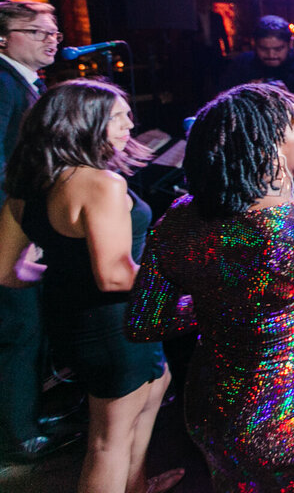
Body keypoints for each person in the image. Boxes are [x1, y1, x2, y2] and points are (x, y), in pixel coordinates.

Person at [126, 84, 294, 493]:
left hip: (215, 407)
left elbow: (145, 321)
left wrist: (224, 299)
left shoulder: (179, 218)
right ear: (269, 147)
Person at [0, 80, 179, 492]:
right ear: (84, 123)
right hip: (114, 326)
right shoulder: (101, 184)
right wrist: (183, 283)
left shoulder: (26, 187)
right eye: (118, 117)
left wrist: (65, 275)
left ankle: (136, 485)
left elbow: (7, 271)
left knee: (155, 390)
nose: (129, 124)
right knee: (107, 442)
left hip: (76, 322)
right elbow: (115, 275)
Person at [0, 0, 70, 463]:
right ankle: (17, 434)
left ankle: (24, 417)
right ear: (4, 38)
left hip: (21, 224)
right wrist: (14, 240)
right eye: (37, 31)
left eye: (54, 33)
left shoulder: (25, 83)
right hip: (10, 230)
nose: (50, 40)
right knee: (18, 329)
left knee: (28, 329)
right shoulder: (3, 84)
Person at [219, 14, 294, 119]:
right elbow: (218, 103)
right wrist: (245, 92)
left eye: (278, 49)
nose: (271, 55)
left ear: (290, 44)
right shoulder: (241, 63)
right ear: (254, 44)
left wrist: (288, 97)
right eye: (264, 49)